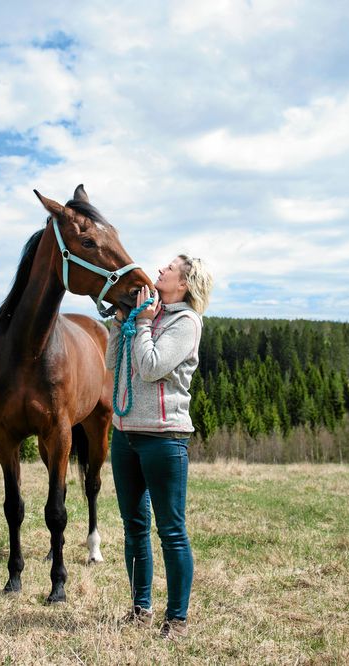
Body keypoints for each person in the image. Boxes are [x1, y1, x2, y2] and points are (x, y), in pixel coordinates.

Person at [105, 254, 213, 640]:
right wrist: (123, 323)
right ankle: (140, 608)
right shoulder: (146, 312)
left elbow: (151, 367)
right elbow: (112, 362)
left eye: (169, 268)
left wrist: (146, 324)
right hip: (125, 434)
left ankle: (177, 618)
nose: (160, 270)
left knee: (171, 530)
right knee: (133, 526)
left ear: (182, 283)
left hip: (164, 437)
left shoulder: (186, 322)